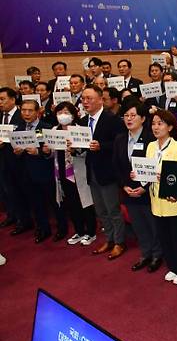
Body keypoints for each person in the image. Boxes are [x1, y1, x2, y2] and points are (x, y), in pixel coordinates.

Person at [146, 109, 177, 285]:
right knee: (164, 237)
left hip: (174, 202)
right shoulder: (151, 146)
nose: (156, 127)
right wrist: (140, 176)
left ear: (170, 127)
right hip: (156, 201)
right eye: (153, 123)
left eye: (160, 123)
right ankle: (174, 266)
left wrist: (165, 179)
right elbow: (148, 170)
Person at [78, 85, 125, 259]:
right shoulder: (83, 122)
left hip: (108, 172)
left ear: (100, 99)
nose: (85, 102)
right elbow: (82, 148)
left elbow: (120, 145)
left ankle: (120, 242)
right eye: (83, 98)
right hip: (91, 172)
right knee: (100, 210)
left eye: (89, 98)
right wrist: (74, 148)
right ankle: (110, 239)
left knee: (113, 209)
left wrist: (101, 146)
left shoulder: (112, 120)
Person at [114, 102, 162, 273]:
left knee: (152, 223)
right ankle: (145, 253)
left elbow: (156, 167)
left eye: (133, 115)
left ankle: (157, 254)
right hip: (128, 191)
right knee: (139, 225)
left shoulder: (151, 139)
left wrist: (144, 186)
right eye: (126, 116)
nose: (129, 119)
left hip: (147, 191)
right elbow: (117, 167)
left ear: (143, 118)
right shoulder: (120, 139)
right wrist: (124, 186)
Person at [44, 102, 96, 247]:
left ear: (73, 114)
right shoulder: (54, 129)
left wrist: (74, 150)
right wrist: (47, 151)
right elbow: (51, 152)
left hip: (77, 172)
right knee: (71, 204)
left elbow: (87, 152)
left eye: (66, 112)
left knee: (85, 203)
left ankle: (91, 232)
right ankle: (79, 230)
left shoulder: (80, 130)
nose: (63, 115)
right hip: (60, 172)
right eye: (60, 112)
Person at [12, 99, 56, 243]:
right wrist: (17, 152)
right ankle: (42, 228)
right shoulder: (18, 129)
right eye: (23, 110)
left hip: (44, 171)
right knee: (35, 203)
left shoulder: (45, 128)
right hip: (26, 173)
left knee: (53, 202)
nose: (26, 113)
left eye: (30, 110)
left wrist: (38, 152)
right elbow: (17, 153)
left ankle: (61, 228)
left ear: (38, 112)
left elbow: (49, 151)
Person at [0, 88, 25, 230]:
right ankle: (12, 215)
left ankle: (24, 220)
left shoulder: (22, 115)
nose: (0, 102)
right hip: (3, 160)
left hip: (18, 160)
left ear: (13, 99)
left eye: (2, 99)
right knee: (6, 190)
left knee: (19, 191)